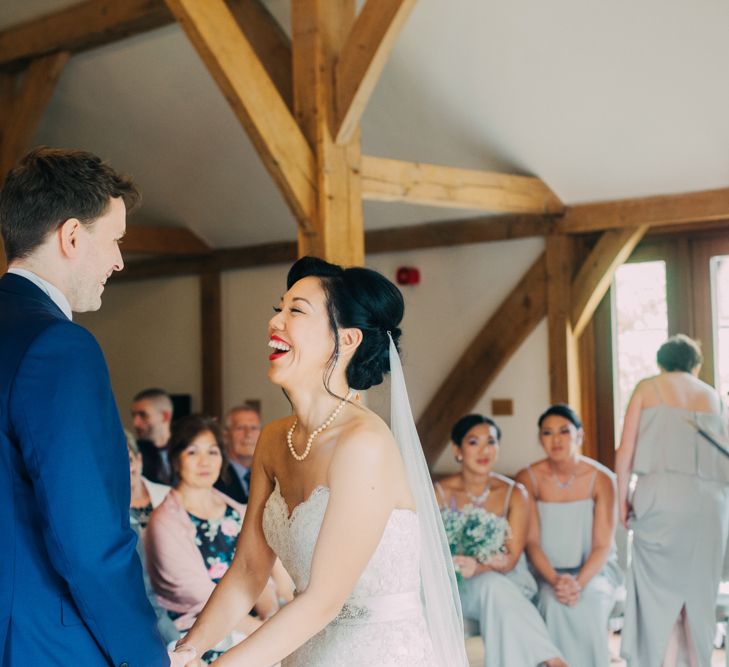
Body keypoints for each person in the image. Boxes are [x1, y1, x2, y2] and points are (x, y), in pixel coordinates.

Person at [170, 256, 468, 666]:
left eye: (296, 311)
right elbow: (249, 570)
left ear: (346, 341)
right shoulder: (275, 440)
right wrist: (187, 652)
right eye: (279, 308)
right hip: (304, 648)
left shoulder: (364, 443)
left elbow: (325, 599)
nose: (275, 322)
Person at [0, 147, 172, 665]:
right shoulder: (60, 348)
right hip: (41, 643)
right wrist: (147, 656)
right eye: (115, 240)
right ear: (72, 237)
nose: (119, 260)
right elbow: (89, 541)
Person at [616, 334, 729, 666]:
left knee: (656, 594)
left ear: (661, 362)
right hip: (710, 502)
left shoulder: (648, 388)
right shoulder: (712, 395)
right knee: (699, 594)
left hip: (661, 495)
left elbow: (625, 453)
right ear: (695, 365)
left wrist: (622, 499)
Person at [145, 414, 281, 660]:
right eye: (193, 452)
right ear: (177, 460)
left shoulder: (237, 510)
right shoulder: (164, 521)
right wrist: (265, 633)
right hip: (200, 637)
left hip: (252, 630)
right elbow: (199, 595)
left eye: (213, 452)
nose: (204, 462)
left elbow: (258, 570)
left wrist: (271, 617)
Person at [436, 414, 565, 667]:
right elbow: (424, 549)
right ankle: (553, 659)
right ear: (457, 450)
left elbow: (510, 558)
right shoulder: (439, 493)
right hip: (457, 586)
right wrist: (457, 564)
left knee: (493, 585)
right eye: (474, 442)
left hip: (507, 581)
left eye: (491, 442)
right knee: (492, 586)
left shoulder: (515, 493)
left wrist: (480, 566)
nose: (485, 450)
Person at [516, 404, 622, 667]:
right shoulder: (528, 478)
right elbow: (532, 543)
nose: (556, 439)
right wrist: (555, 580)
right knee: (552, 604)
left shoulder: (602, 479)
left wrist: (578, 583)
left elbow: (602, 545)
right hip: (545, 572)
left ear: (579, 436)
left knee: (590, 603)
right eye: (547, 433)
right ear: (540, 439)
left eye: (564, 431)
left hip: (594, 572)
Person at [214, 404, 262, 504]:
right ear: (225, 435)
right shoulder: (214, 474)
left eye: (254, 428)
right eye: (240, 428)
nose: (248, 434)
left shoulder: (271, 474)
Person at [128, 429, 172, 530]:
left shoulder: (168, 493)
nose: (125, 469)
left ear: (139, 460)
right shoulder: (107, 508)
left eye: (129, 460)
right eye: (117, 464)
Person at [132, 387, 175, 484]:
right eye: (134, 416)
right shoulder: (133, 453)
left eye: (143, 415)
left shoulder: (186, 448)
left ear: (165, 416)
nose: (135, 423)